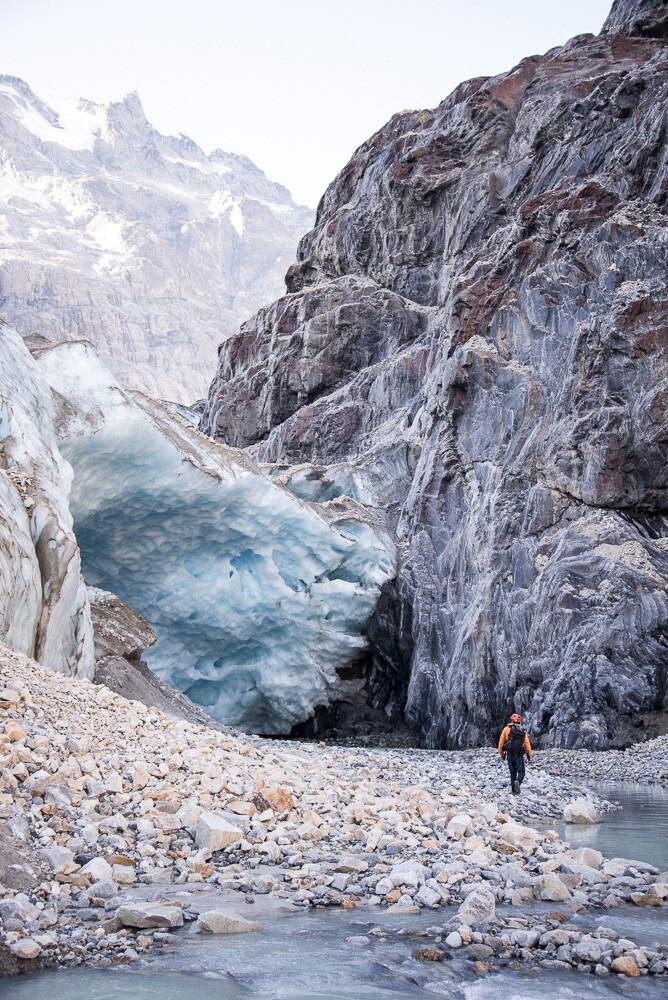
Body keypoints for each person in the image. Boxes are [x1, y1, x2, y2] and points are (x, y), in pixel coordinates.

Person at [498, 713, 532, 795]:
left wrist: (502, 754)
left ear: (511, 720)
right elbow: (527, 743)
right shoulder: (522, 730)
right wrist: (529, 754)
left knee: (512, 772)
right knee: (521, 772)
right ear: (519, 721)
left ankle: (513, 791)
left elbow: (501, 743)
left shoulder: (506, 729)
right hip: (519, 754)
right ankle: (518, 781)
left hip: (509, 753)